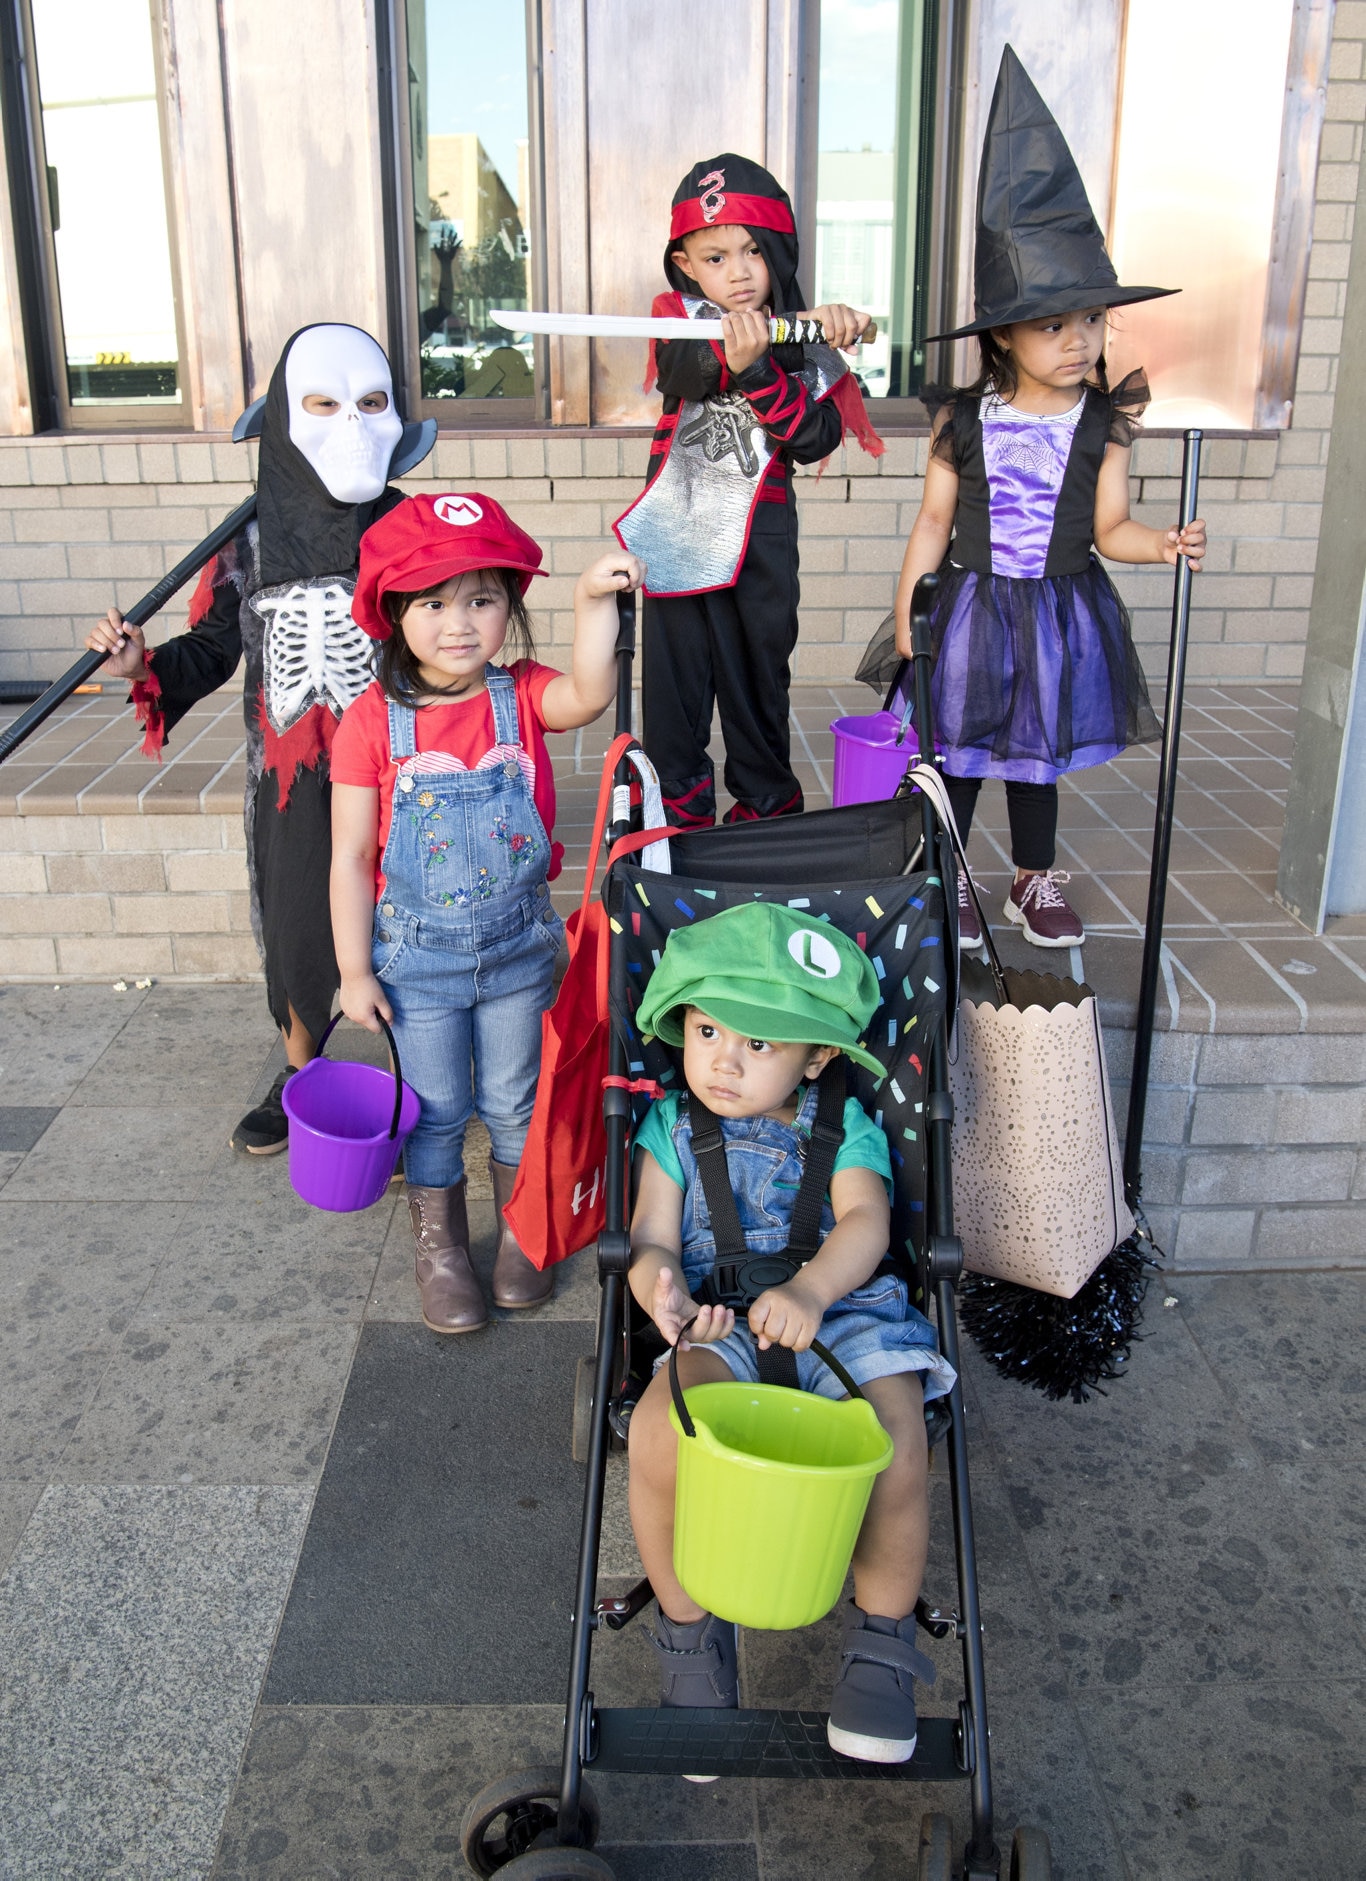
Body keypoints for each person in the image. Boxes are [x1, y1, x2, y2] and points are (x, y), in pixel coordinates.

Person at [861, 47, 1205, 951]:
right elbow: (934, 520)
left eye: (1091, 317)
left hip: (1058, 611)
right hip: (971, 607)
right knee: (959, 756)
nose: (1080, 338)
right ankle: (954, 877)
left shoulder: (1104, 419)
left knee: (1037, 757)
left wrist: (1160, 543)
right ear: (1004, 336)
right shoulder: (963, 419)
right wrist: (907, 611)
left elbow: (1110, 527)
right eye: (1054, 323)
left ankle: (1031, 879)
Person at [85, 323, 434, 1152]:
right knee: (294, 918)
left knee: (413, 909)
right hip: (288, 769)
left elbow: (453, 625)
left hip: (400, 760)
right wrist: (143, 662)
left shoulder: (409, 524)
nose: (348, 425)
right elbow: (210, 648)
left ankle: (426, 1075)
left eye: (370, 404)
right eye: (320, 405)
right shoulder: (245, 539)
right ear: (282, 419)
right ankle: (301, 1068)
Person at [625, 902, 956, 1763]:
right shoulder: (669, 1127)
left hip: (845, 1311)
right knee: (661, 1433)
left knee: (893, 1435)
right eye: (705, 1030)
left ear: (817, 1057)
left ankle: (881, 1652)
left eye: (758, 1044)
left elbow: (866, 1222)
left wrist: (812, 1289)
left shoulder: (843, 1127)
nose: (723, 1060)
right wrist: (655, 1288)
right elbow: (654, 1235)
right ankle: (692, 1644)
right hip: (721, 1318)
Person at [330, 492, 643, 1334]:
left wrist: (589, 603)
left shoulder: (524, 697)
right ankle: (441, 1250)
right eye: (432, 602)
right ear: (394, 612)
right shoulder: (369, 723)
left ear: (510, 604)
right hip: (415, 960)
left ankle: (520, 1232)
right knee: (434, 1107)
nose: (459, 623)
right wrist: (355, 970)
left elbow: (589, 690)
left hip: (516, 952)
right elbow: (353, 857)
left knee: (513, 1099)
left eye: (482, 598)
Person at [615, 154, 884, 830]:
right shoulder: (676, 317)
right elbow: (687, 367)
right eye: (715, 256)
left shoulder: (806, 339)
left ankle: (765, 820)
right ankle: (674, 826)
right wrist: (745, 355)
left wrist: (793, 346)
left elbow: (815, 437)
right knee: (674, 692)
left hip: (761, 545)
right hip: (678, 529)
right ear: (685, 262)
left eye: (753, 251)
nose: (737, 272)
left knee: (756, 682)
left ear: (779, 254)